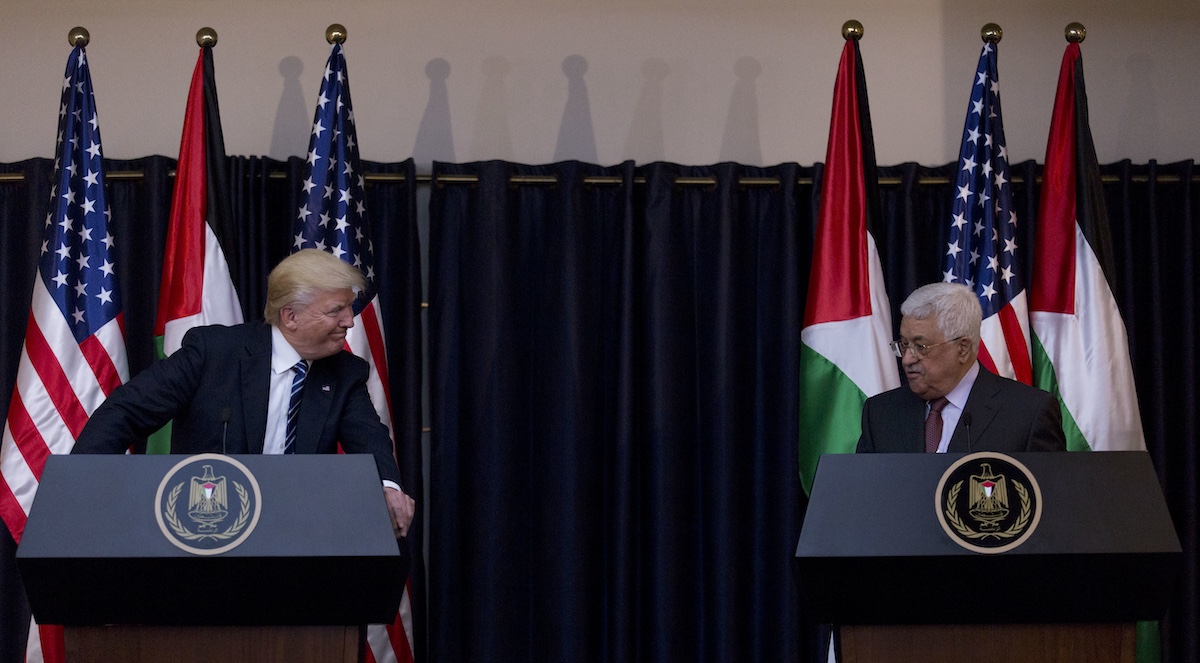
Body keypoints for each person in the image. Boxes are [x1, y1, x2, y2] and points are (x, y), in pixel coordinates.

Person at [72, 249, 416, 537]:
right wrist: (87, 481)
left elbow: (370, 438)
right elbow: (126, 412)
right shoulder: (214, 352)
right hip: (208, 530)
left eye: (349, 308)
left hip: (298, 537)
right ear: (290, 316)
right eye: (335, 311)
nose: (349, 322)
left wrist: (388, 486)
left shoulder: (345, 373)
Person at [856, 282, 1066, 454]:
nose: (907, 360)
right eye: (904, 344)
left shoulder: (1027, 414)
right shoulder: (881, 413)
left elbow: (1049, 497)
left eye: (921, 347)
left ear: (963, 348)